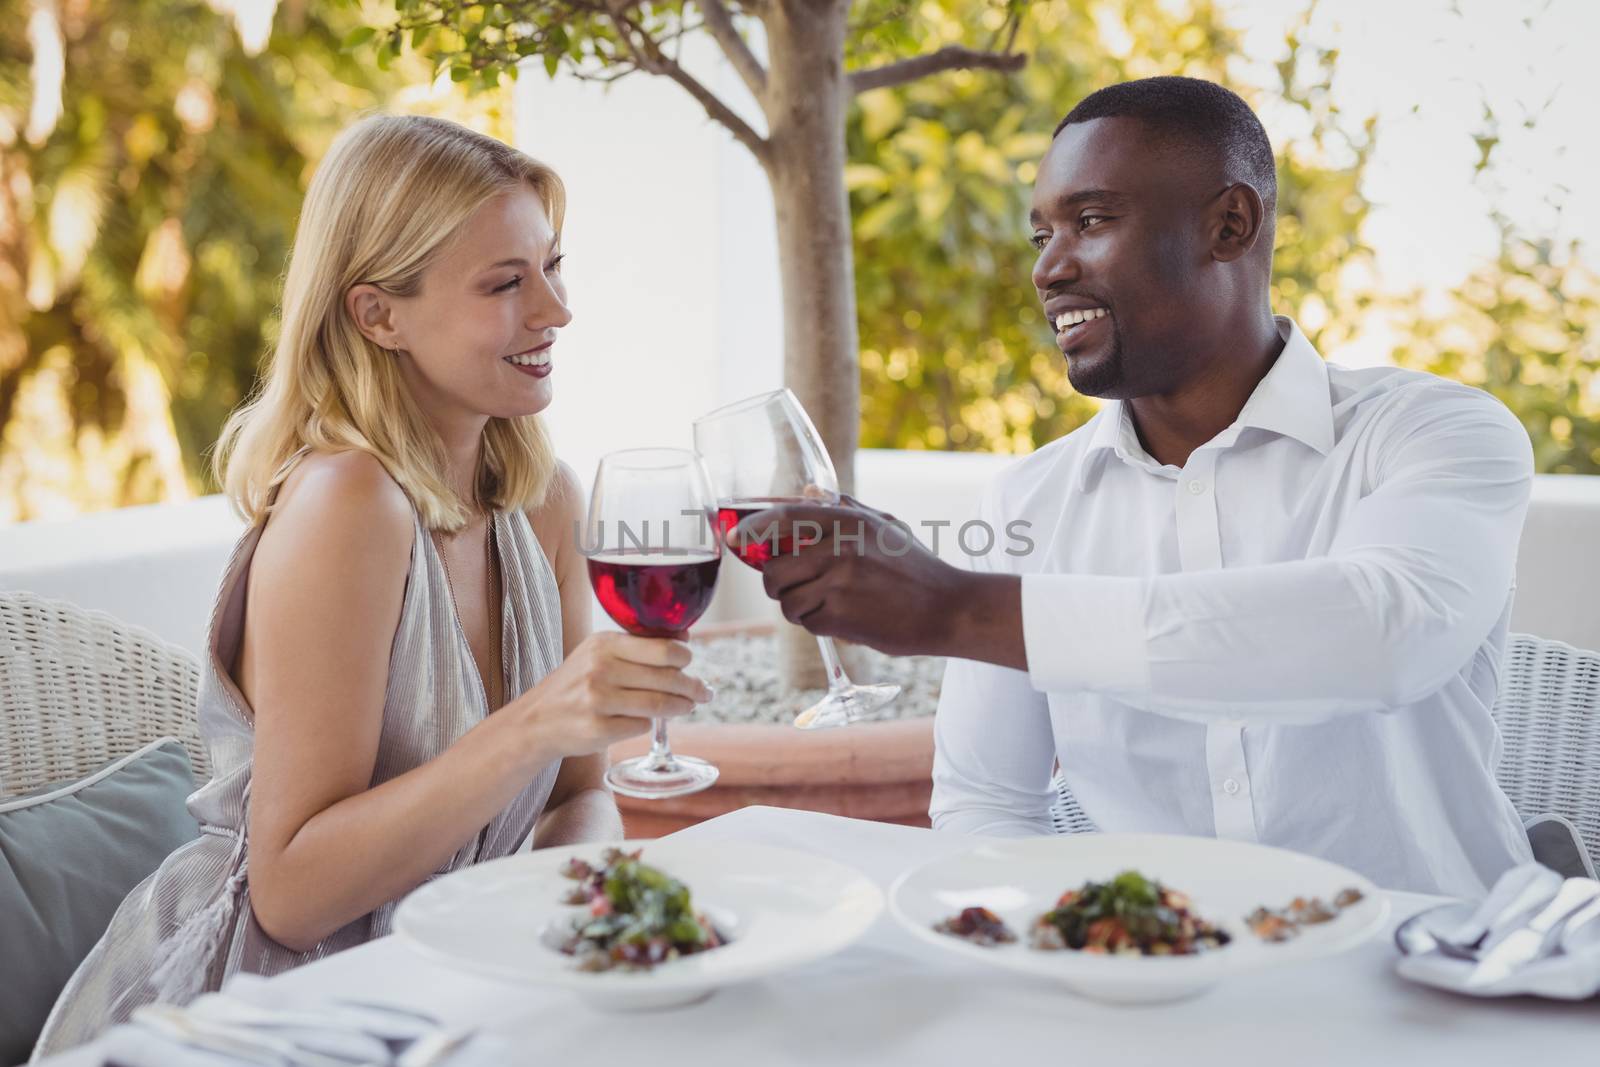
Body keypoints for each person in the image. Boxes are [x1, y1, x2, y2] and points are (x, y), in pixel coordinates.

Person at [736, 77, 1534, 897]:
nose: (1048, 267)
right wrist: (1079, 940)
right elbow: (986, 798)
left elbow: (1384, 631)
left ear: (1230, 223)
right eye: (1041, 233)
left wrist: (958, 606)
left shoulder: (1434, 432)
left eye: (1091, 221)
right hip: (1157, 989)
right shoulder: (1030, 500)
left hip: (1441, 977)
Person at [33, 114, 708, 1055]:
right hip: (271, 1008)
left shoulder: (542, 496)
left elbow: (577, 797)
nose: (556, 310)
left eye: (554, 267)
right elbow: (294, 896)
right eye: (506, 283)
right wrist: (536, 721)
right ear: (377, 314)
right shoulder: (348, 505)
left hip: (456, 984)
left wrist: (558, 938)